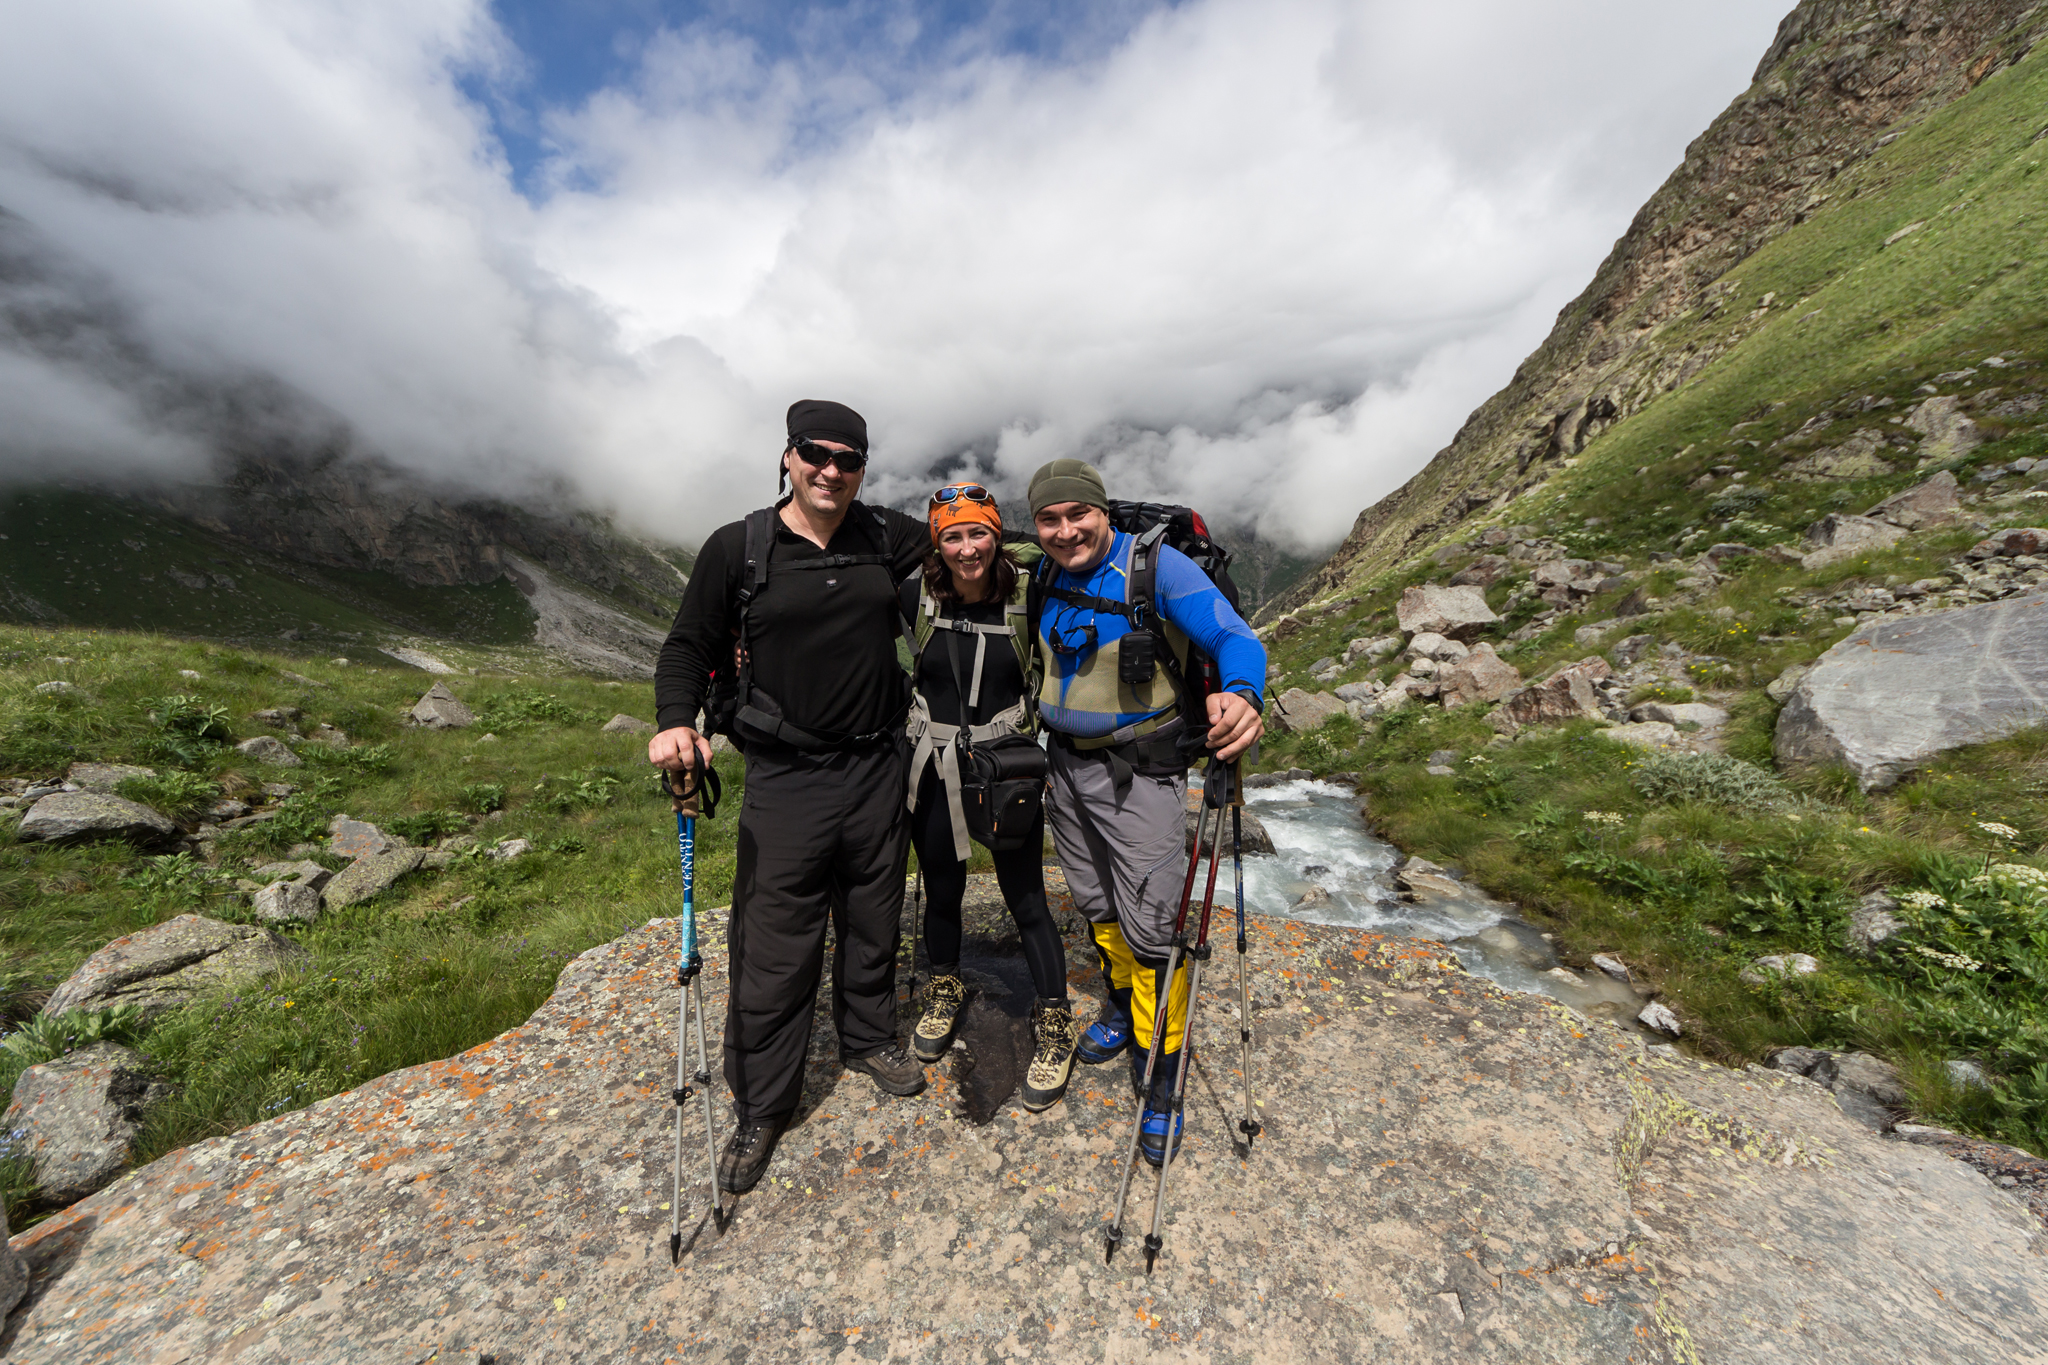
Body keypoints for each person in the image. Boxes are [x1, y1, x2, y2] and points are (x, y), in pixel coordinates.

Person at [650, 399, 933, 1197]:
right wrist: (676, 721)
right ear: (787, 456)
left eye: (848, 459)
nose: (830, 470)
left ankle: (870, 1035)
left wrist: (1085, 529)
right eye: (816, 453)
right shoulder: (739, 548)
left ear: (863, 470)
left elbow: (966, 542)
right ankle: (763, 1103)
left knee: (874, 915)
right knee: (775, 944)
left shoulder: (884, 535)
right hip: (786, 777)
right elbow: (688, 646)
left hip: (878, 763)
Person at [1026, 458, 1265, 1166]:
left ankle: (1164, 1072)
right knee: (1098, 906)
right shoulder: (1041, 573)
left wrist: (1243, 693)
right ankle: (1121, 1011)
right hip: (1063, 769)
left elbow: (1234, 638)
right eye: (1049, 518)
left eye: (1078, 514)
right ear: (1036, 524)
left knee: (1155, 927)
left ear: (1103, 513)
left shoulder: (1156, 569)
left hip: (1141, 775)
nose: (1066, 531)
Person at [900, 483, 1075, 1111]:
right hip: (935, 765)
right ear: (936, 542)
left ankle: (1054, 1020)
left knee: (1027, 899)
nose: (967, 548)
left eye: (978, 533)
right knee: (943, 889)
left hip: (1006, 770)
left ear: (997, 534)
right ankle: (944, 987)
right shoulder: (915, 594)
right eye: (952, 535)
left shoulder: (1030, 593)